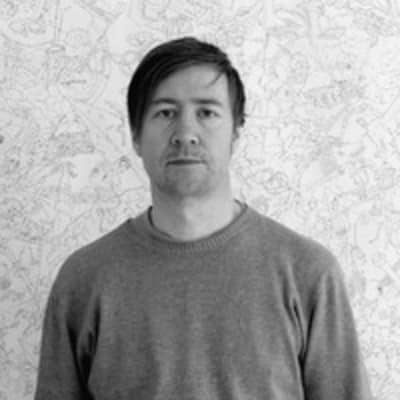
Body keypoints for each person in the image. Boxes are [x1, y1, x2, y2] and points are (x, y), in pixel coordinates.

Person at [34, 37, 372, 400]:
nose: (185, 134)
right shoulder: (83, 280)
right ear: (135, 135)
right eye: (165, 113)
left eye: (207, 112)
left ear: (236, 133)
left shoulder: (308, 274)